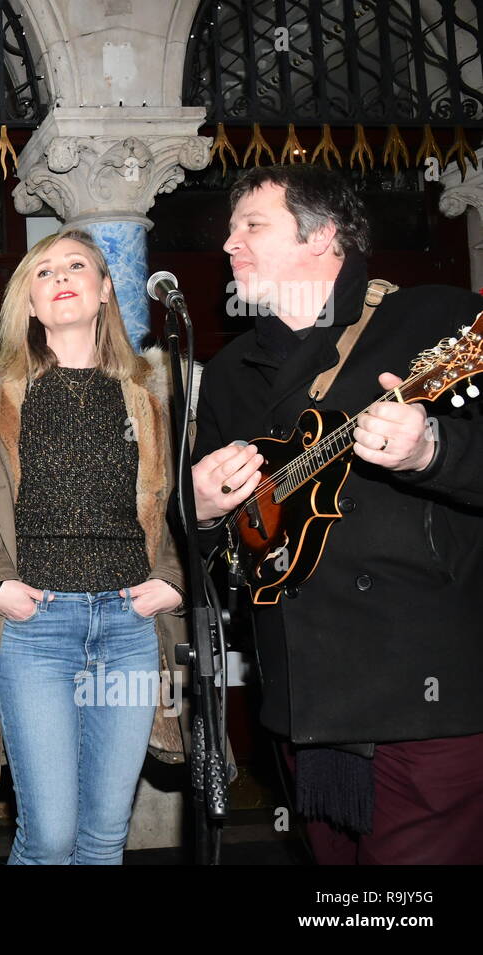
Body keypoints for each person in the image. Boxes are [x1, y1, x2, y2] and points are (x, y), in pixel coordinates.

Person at [192, 164, 483, 864]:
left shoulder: (434, 319)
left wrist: (431, 450)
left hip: (425, 692)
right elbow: (219, 551)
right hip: (305, 700)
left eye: (251, 225)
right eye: (231, 229)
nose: (230, 244)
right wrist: (199, 510)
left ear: (323, 235)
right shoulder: (230, 372)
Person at [0, 230, 185, 865]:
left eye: (76, 266)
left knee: (103, 837)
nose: (61, 277)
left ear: (103, 291)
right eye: (43, 273)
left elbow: (188, 505)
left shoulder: (157, 394)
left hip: (129, 625)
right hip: (36, 629)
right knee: (47, 834)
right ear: (30, 304)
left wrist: (174, 578)